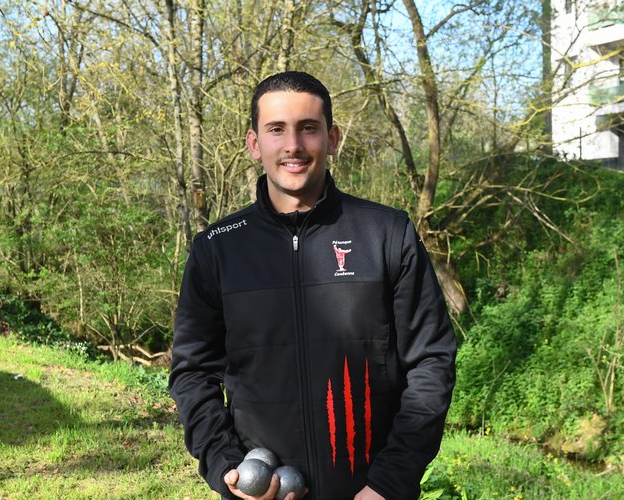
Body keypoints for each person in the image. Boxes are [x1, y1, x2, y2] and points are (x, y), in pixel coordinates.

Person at [169, 71, 456, 500]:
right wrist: (226, 465)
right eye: (276, 130)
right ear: (254, 144)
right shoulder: (217, 249)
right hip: (263, 492)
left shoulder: (387, 235)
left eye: (308, 128)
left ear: (332, 138)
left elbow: (431, 361)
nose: (293, 145)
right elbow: (193, 372)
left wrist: (389, 482)